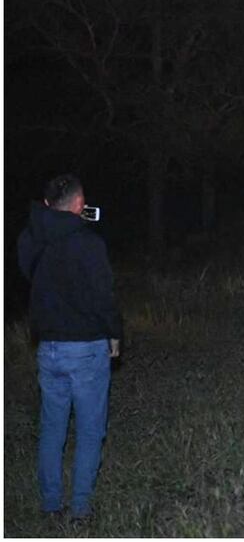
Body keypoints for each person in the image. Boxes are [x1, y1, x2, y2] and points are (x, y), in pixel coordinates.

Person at [16, 174, 122, 520]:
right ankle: (79, 509)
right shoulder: (89, 244)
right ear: (79, 205)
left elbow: (30, 274)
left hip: (49, 349)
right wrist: (114, 334)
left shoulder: (31, 241)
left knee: (52, 428)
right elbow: (103, 297)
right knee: (90, 430)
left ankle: (50, 506)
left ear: (47, 205)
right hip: (86, 348)